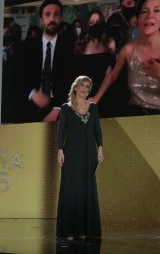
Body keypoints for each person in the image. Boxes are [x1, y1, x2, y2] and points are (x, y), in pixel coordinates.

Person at [89, 0, 160, 115]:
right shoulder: (129, 49)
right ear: (138, 18)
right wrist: (96, 99)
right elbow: (112, 75)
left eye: (156, 11)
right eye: (144, 11)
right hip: (138, 114)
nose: (150, 16)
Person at [56, 75, 104, 240]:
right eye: (82, 85)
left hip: (89, 153)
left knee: (86, 190)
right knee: (71, 189)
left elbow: (97, 130)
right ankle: (69, 229)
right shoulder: (65, 108)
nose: (85, 89)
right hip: (71, 153)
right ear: (75, 87)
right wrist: (60, 150)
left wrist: (100, 148)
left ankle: (84, 229)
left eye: (88, 87)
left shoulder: (93, 107)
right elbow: (61, 131)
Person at [14, 0, 75, 123]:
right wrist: (33, 94)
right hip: (30, 103)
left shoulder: (69, 47)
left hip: (60, 107)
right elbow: (18, 77)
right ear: (41, 20)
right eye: (47, 15)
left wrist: (57, 109)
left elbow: (71, 82)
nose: (52, 19)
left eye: (56, 14)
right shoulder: (27, 47)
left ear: (61, 18)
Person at [72, 8, 128, 117]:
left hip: (106, 94)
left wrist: (97, 98)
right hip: (84, 95)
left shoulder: (109, 43)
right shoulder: (80, 44)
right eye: (91, 23)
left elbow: (110, 74)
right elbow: (77, 75)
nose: (94, 26)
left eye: (97, 23)